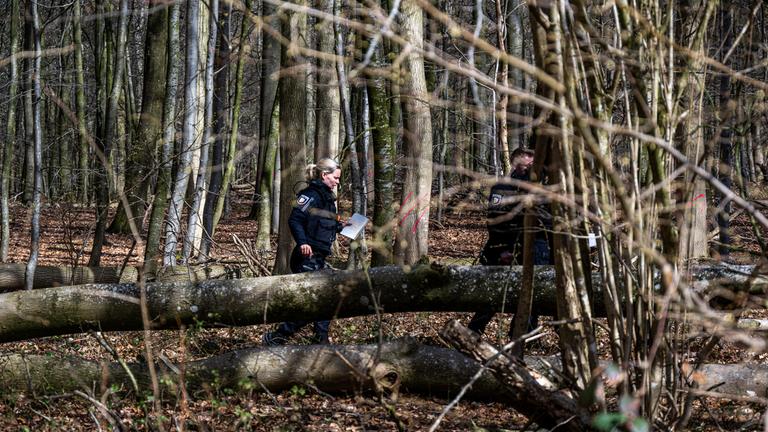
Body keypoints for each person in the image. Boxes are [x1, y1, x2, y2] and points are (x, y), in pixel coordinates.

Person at [468, 147, 553, 337]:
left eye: (534, 156)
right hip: (507, 245)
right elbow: (495, 219)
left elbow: (549, 219)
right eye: (528, 156)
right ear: (516, 160)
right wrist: (501, 249)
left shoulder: (542, 185)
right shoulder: (503, 186)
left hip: (538, 244)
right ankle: (474, 330)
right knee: (498, 289)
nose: (532, 160)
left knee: (534, 290)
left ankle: (523, 335)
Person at [263, 158, 346, 345]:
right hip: (306, 257)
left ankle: (320, 339)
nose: (337, 182)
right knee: (315, 302)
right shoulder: (310, 195)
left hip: (320, 257)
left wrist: (342, 226)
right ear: (325, 175)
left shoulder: (327, 199)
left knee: (327, 298)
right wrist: (303, 243)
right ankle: (278, 336)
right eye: (336, 178)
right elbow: (295, 219)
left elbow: (326, 224)